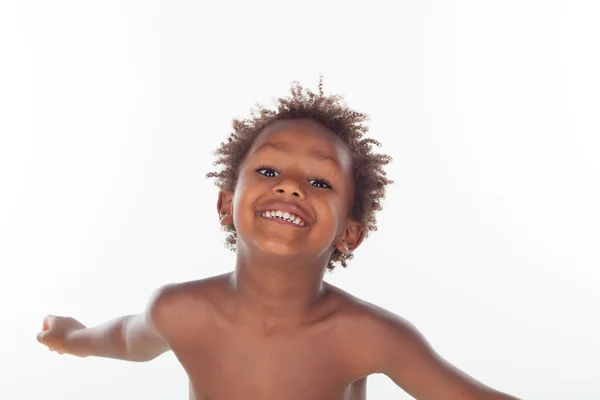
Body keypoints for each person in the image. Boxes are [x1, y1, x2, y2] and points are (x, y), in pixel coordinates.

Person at [37, 79, 520, 399]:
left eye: (321, 182)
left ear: (350, 233)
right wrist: (72, 337)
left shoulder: (366, 335)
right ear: (226, 204)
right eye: (269, 170)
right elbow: (127, 338)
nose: (290, 186)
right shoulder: (181, 311)